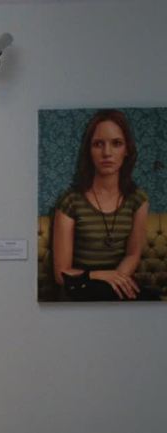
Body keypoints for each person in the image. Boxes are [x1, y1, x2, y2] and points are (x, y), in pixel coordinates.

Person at [52, 109, 154, 301]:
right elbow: (61, 274)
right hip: (80, 288)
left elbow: (133, 255)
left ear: (127, 150)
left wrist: (116, 280)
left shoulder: (138, 199)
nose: (107, 153)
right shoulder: (70, 200)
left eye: (116, 143)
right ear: (89, 151)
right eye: (98, 144)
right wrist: (102, 276)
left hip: (118, 287)